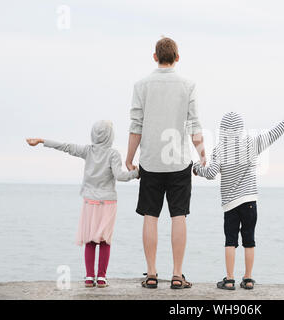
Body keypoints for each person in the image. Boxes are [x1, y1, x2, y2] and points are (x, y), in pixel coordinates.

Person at [193, 105, 284, 290]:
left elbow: (211, 173)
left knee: (230, 241)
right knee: (249, 240)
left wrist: (197, 168)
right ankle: (249, 278)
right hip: (250, 202)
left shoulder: (219, 149)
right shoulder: (251, 144)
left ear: (222, 130)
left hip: (230, 205)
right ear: (241, 128)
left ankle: (229, 280)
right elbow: (274, 134)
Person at [125, 37, 206, 289]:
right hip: (179, 161)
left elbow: (135, 126)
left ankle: (151, 274)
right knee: (178, 215)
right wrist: (202, 153)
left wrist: (129, 158)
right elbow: (194, 125)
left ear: (155, 56)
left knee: (151, 215)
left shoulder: (141, 85)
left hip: (150, 161)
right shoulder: (188, 85)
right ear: (177, 57)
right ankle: (177, 274)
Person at [26, 120, 139, 288]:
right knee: (105, 240)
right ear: (110, 136)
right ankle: (101, 278)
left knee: (90, 240)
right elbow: (120, 176)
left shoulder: (87, 151)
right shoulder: (113, 154)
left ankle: (88, 278)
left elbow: (65, 146)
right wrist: (136, 173)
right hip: (107, 203)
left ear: (94, 134)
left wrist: (42, 140)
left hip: (89, 203)